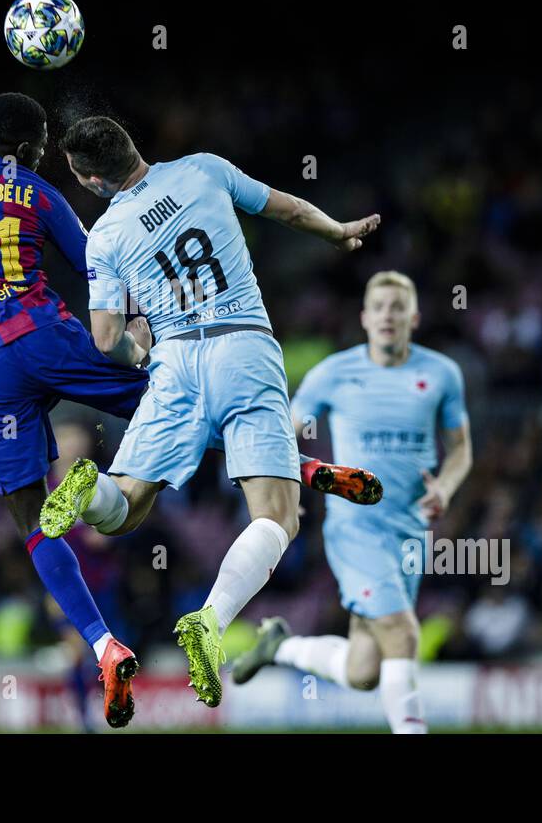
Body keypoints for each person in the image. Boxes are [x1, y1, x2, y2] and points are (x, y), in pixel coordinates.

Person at [0, 94, 379, 726]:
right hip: (65, 339)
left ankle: (104, 644)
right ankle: (296, 469)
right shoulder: (56, 191)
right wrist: (142, 344)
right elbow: (110, 301)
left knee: (42, 518)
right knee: (182, 409)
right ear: (31, 152)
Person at [41, 115, 381, 707]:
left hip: (174, 361)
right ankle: (212, 622)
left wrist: (138, 349)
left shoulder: (106, 234)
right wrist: (337, 232)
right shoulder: (205, 168)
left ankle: (92, 488)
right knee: (276, 516)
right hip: (244, 347)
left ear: (93, 180)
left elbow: (104, 339)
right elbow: (289, 210)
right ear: (132, 146)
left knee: (121, 514)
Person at [231, 271, 473, 734]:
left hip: (411, 530)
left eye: (397, 307)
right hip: (354, 528)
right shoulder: (333, 373)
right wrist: (284, 486)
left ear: (414, 317)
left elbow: (461, 449)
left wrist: (445, 486)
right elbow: (284, 432)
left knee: (364, 671)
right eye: (379, 307)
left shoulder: (441, 374)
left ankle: (279, 646)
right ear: (364, 317)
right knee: (403, 634)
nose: (388, 315)